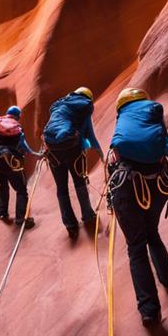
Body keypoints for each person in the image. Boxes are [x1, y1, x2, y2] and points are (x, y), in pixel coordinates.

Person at [108, 88, 168, 326]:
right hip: (158, 186)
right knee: (152, 234)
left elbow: (113, 158)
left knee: (136, 247)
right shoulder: (153, 111)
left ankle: (149, 310)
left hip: (127, 186)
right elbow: (167, 147)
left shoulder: (122, 120)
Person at [43, 86, 102, 238]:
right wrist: (101, 155)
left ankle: (70, 225)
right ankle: (88, 215)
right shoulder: (83, 109)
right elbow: (91, 136)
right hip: (73, 150)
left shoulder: (60, 105)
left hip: (53, 152)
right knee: (79, 183)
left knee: (61, 189)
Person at [0, 106, 43, 228]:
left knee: (2, 186)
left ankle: (2, 212)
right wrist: (36, 153)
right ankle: (21, 219)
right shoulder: (16, 127)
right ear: (17, 116)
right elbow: (23, 145)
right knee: (21, 189)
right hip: (10, 160)